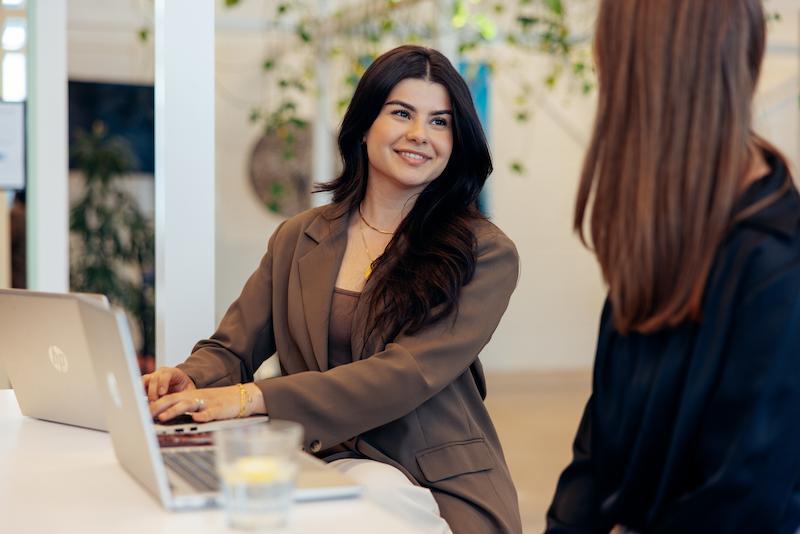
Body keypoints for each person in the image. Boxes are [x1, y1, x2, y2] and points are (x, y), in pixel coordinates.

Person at [144, 45, 523, 533]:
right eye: (402, 113)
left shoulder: (484, 252)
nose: (419, 135)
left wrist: (250, 398)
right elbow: (232, 347)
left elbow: (404, 375)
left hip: (433, 483)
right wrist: (189, 379)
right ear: (364, 125)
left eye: (440, 122)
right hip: (321, 464)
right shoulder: (297, 237)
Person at [546, 1, 800, 532]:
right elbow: (597, 451)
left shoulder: (776, 266)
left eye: (609, 59)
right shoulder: (660, 236)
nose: (598, 71)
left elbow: (739, 501)